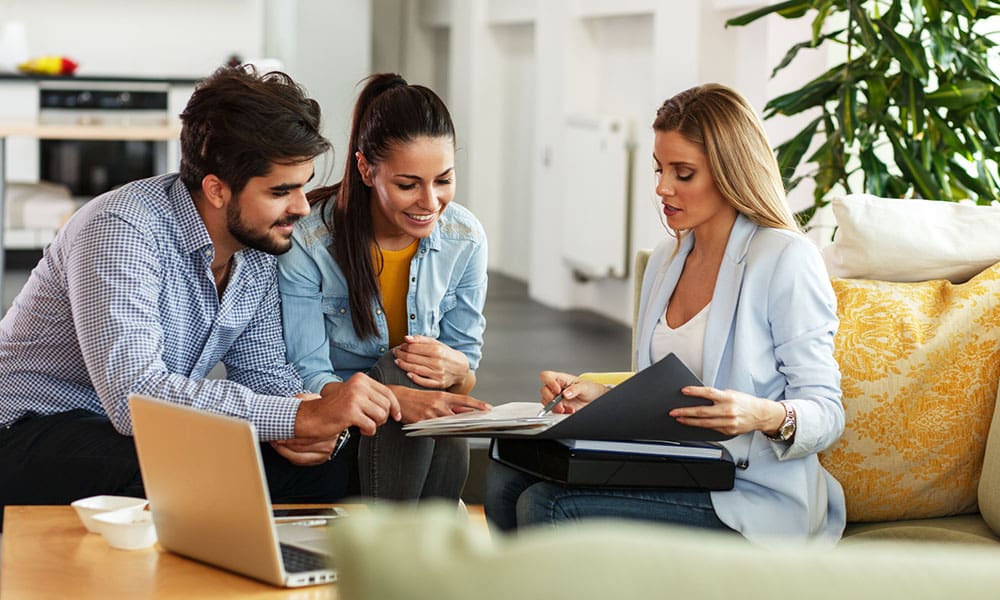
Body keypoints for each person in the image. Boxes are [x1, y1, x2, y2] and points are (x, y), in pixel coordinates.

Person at [0, 66, 402, 530]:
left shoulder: (256, 248)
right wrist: (296, 416)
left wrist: (310, 422)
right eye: (281, 191)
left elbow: (264, 372)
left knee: (333, 465)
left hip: (129, 434)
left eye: (303, 185)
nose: (301, 207)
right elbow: (136, 397)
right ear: (216, 189)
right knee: (194, 465)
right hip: (27, 430)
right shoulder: (121, 230)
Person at [485, 83, 846, 546]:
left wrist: (761, 415)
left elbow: (827, 412)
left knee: (547, 504)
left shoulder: (785, 259)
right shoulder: (665, 259)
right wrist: (603, 398)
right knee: (505, 477)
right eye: (660, 169)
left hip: (752, 493)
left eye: (683, 173)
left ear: (730, 172)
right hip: (677, 470)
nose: (662, 187)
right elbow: (667, 395)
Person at [278, 73, 490, 502]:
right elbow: (308, 374)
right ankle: (415, 532)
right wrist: (395, 397)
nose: (430, 202)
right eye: (408, 185)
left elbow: (463, 375)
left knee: (427, 382)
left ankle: (417, 534)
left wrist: (457, 371)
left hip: (419, 432)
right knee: (401, 369)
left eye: (444, 180)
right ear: (366, 169)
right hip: (340, 424)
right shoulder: (309, 241)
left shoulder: (465, 238)